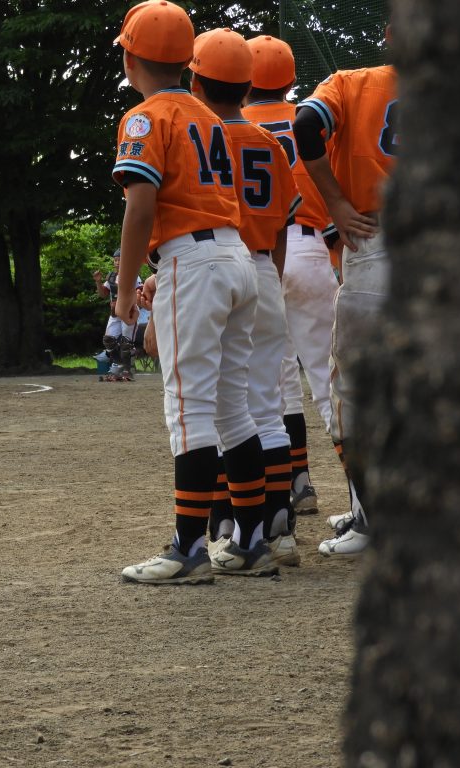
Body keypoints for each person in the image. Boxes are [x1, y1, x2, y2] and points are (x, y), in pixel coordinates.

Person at [111, 1, 276, 585]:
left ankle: (188, 549)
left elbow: (140, 209)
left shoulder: (144, 117)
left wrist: (125, 289)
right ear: (187, 62)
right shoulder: (207, 116)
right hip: (236, 257)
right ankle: (251, 542)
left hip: (196, 262)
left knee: (189, 408)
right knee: (233, 407)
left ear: (131, 58)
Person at [188, 28, 301, 569]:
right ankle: (281, 530)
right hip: (262, 270)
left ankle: (230, 525)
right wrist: (270, 279)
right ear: (247, 85)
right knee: (267, 408)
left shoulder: (200, 136)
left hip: (215, 269)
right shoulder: (270, 143)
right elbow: (281, 225)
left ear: (195, 81)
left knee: (217, 409)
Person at [294, 26, 397, 556]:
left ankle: (372, 520)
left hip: (374, 242)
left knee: (355, 391)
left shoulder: (351, 82)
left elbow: (306, 125)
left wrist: (335, 201)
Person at [244, 34, 340, 518]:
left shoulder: (231, 124)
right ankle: (362, 500)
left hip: (260, 256)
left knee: (273, 380)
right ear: (290, 79)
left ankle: (292, 484)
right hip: (315, 246)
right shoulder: (312, 118)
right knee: (328, 380)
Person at [93, 248, 142, 381]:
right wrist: (98, 281)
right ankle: (119, 365)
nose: (117, 262)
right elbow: (103, 294)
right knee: (108, 340)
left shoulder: (132, 276)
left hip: (129, 313)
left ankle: (127, 371)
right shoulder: (111, 277)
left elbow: (139, 293)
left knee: (126, 343)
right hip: (115, 314)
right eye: (115, 260)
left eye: (120, 260)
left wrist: (126, 303)